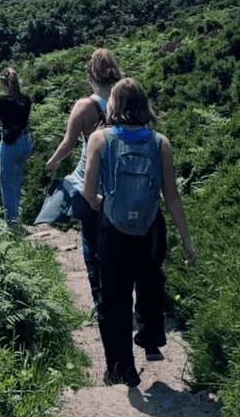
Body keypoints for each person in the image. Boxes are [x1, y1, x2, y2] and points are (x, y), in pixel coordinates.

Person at [82, 77, 196, 387]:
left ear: (114, 105)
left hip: (112, 228)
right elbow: (171, 195)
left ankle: (121, 369)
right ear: (144, 105)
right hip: (150, 226)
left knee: (114, 299)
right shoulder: (159, 142)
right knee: (149, 279)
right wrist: (186, 238)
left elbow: (89, 194)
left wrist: (105, 202)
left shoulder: (100, 139)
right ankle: (150, 337)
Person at [35, 48, 123, 315]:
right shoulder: (125, 98)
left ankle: (101, 302)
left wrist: (51, 163)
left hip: (91, 183)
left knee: (92, 243)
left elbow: (67, 144)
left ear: (89, 74)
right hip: (120, 183)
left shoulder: (85, 106)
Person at [0, 68, 33, 230]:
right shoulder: (26, 100)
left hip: (10, 144)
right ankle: (16, 215)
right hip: (25, 141)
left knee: (7, 183)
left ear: (3, 84)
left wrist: (1, 138)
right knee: (17, 180)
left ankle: (12, 224)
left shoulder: (0, 102)